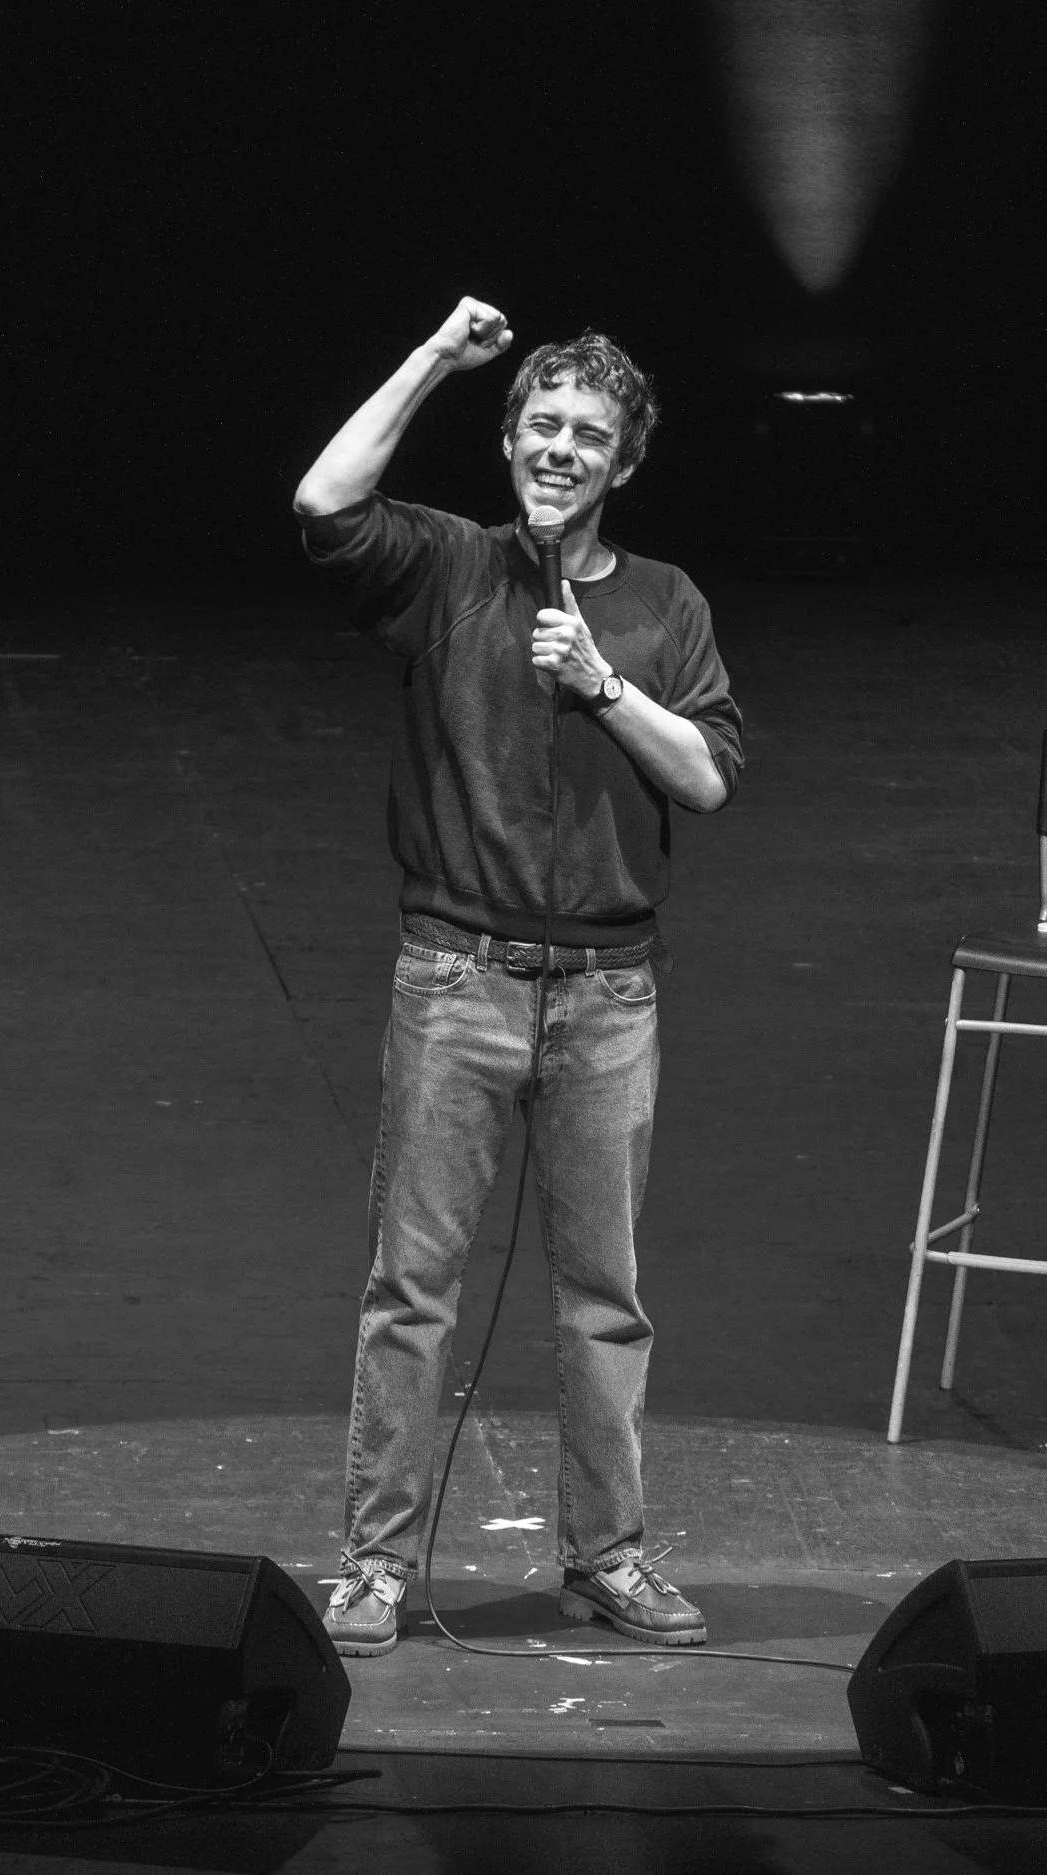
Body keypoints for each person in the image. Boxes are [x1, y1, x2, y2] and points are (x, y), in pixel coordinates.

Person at [293, 296, 744, 1656]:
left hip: (610, 994)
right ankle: (373, 1560)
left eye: (589, 435)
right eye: (542, 426)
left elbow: (711, 777)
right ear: (508, 440)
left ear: (624, 461)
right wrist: (435, 352)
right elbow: (323, 496)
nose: (561, 449)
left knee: (606, 1293)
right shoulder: (446, 564)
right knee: (410, 1287)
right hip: (457, 978)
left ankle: (605, 1555)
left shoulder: (665, 602)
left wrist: (607, 686)